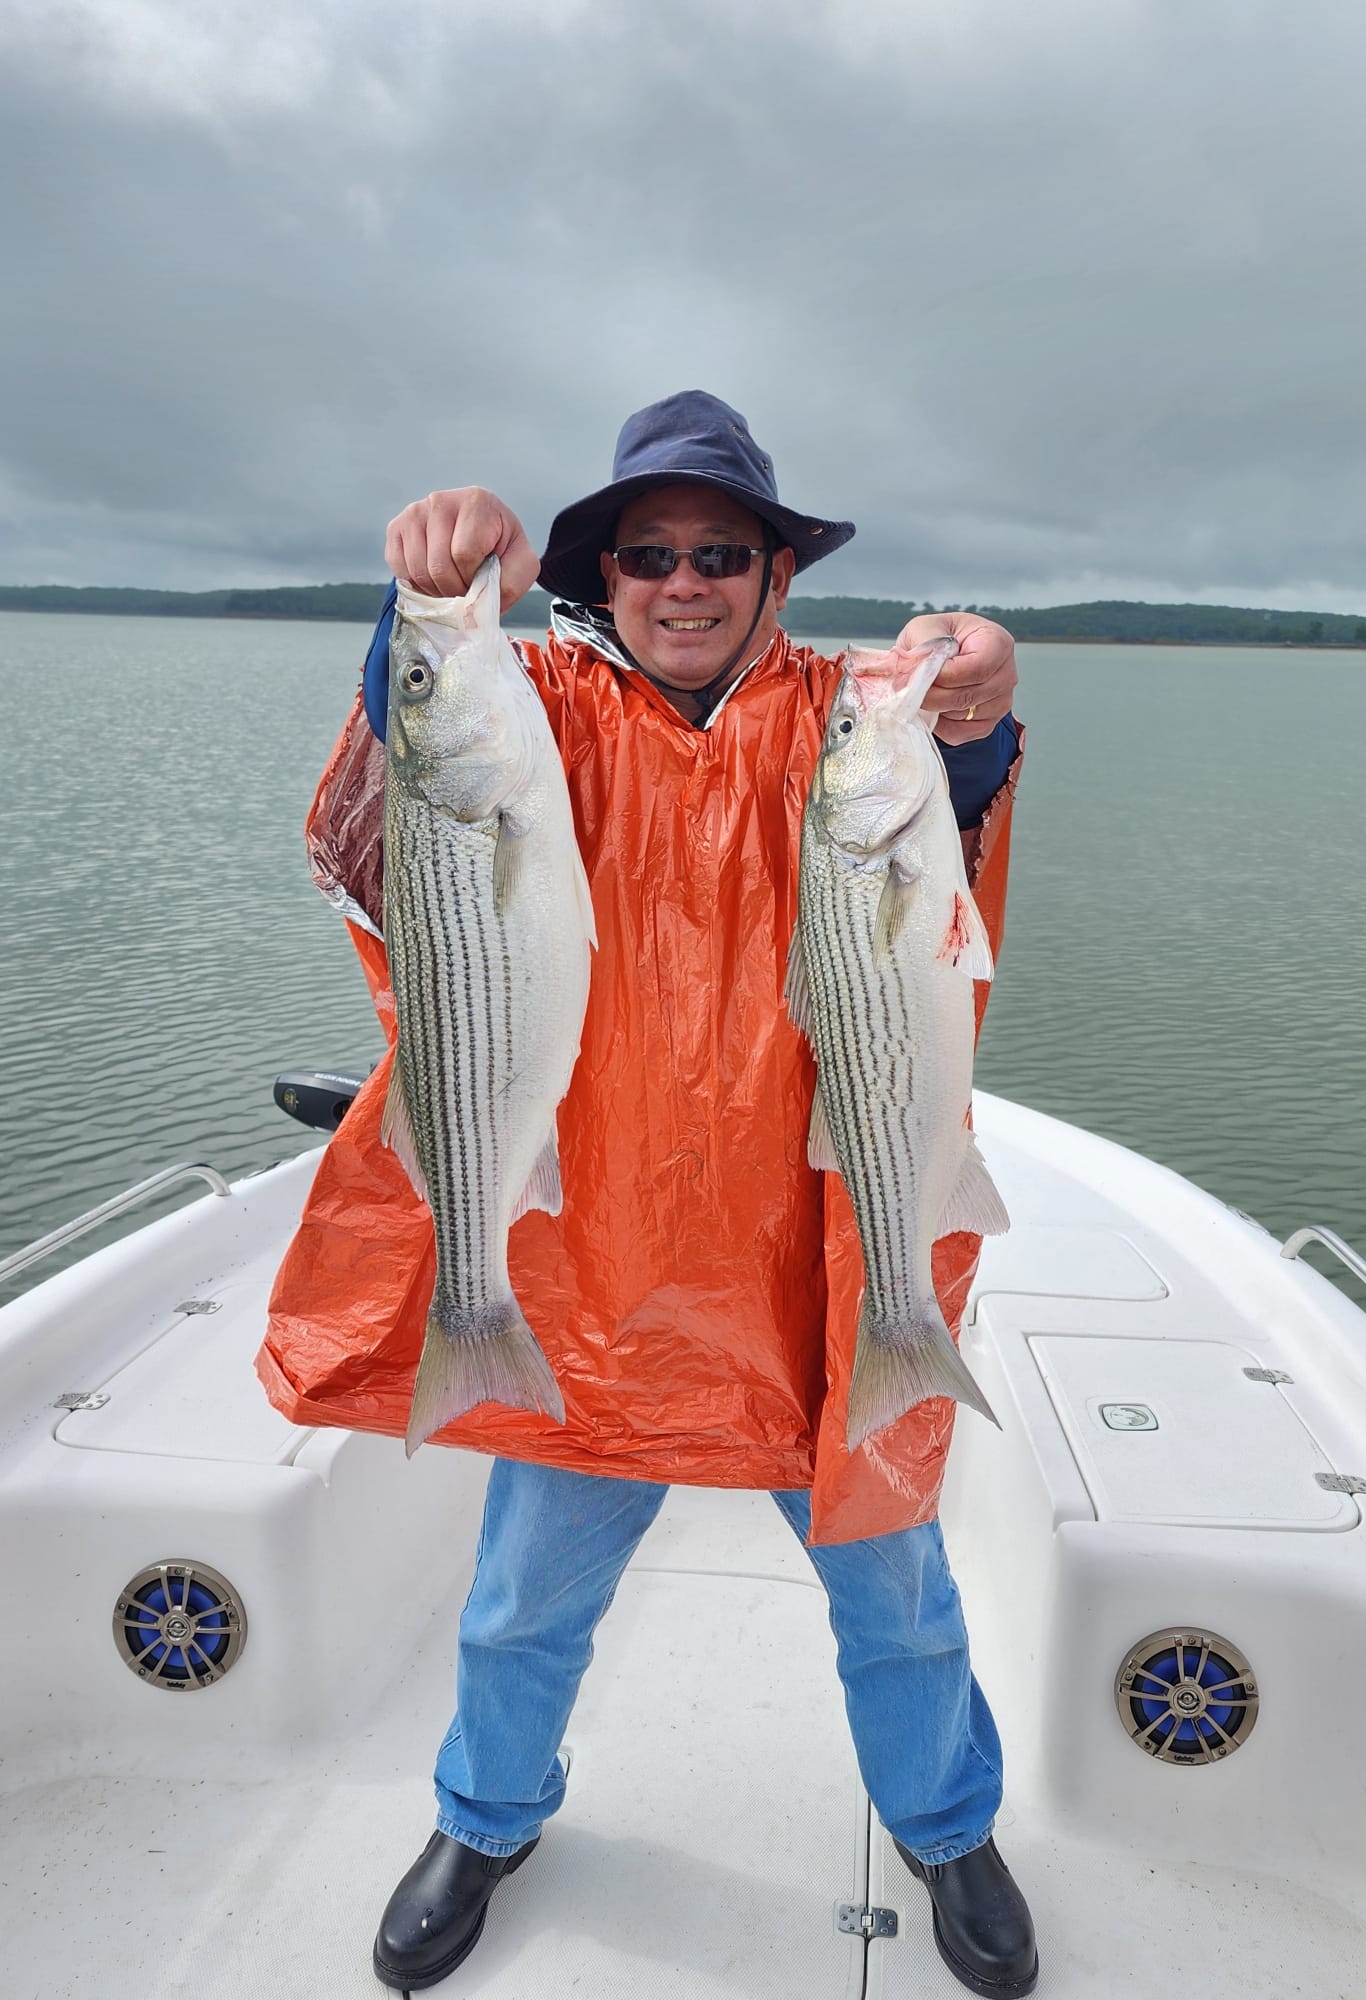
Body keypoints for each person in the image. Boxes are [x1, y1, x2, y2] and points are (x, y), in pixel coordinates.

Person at [257, 391, 1034, 1995]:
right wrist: (425, 596)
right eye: (649, 556)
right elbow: (409, 761)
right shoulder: (531, 703)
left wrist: (977, 696)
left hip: (809, 1266)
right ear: (600, 578)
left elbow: (947, 809)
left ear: (776, 575)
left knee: (900, 1599)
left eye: (721, 554)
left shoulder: (847, 713)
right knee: (517, 1606)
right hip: (587, 1266)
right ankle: (487, 1817)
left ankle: (947, 1826)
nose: (685, 583)